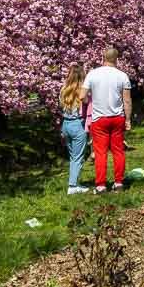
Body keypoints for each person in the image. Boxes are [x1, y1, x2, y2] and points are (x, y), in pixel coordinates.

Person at [80, 47, 132, 193]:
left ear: (103, 58)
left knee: (100, 152)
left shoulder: (93, 74)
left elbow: (82, 96)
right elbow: (127, 101)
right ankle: (119, 183)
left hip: (99, 118)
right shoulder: (123, 76)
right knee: (118, 151)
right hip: (117, 118)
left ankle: (101, 185)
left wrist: (90, 101)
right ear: (117, 59)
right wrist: (128, 119)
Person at [60, 66, 91, 194]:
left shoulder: (64, 89)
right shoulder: (82, 91)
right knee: (78, 157)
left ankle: (75, 183)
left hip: (66, 124)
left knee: (73, 157)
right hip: (78, 124)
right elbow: (88, 103)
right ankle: (72, 186)